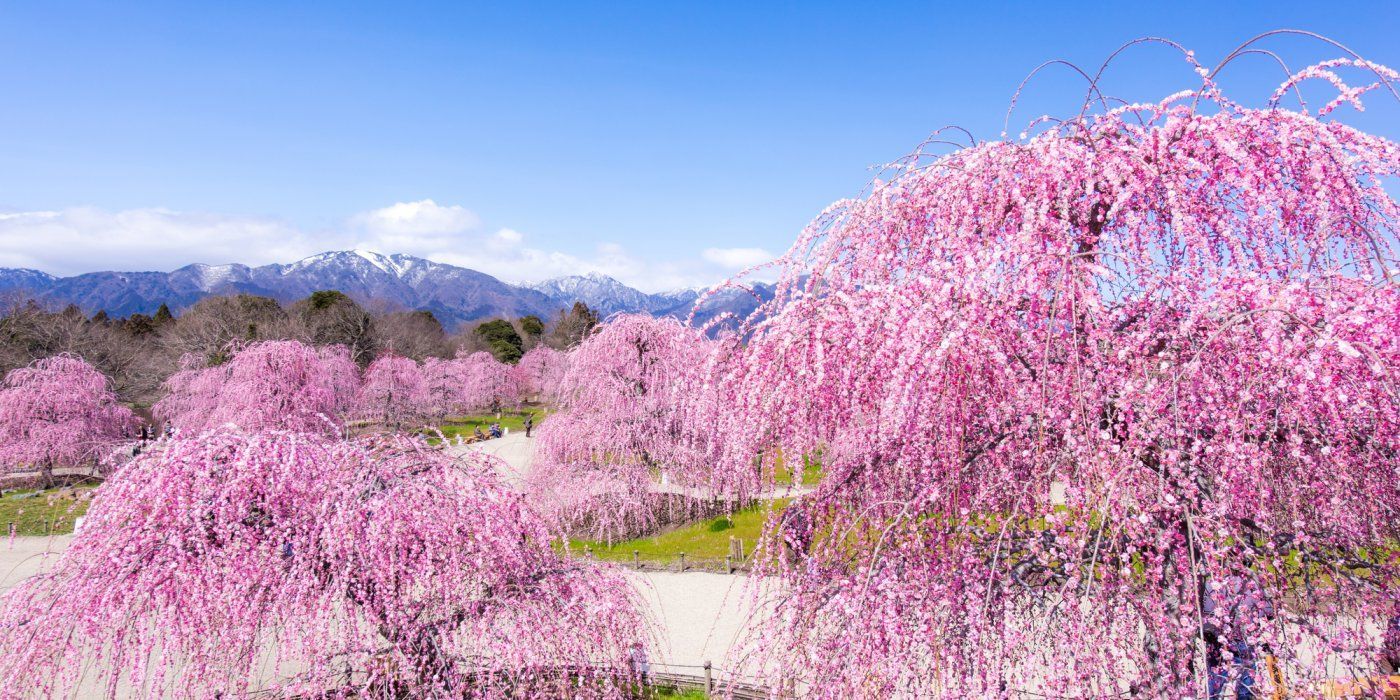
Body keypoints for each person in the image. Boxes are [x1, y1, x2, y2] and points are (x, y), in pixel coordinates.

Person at [1203, 556, 1275, 700]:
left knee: (1215, 682)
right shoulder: (1255, 584)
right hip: (1245, 638)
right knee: (1246, 684)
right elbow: (1269, 612)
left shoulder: (1214, 583)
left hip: (1219, 639)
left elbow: (1207, 612)